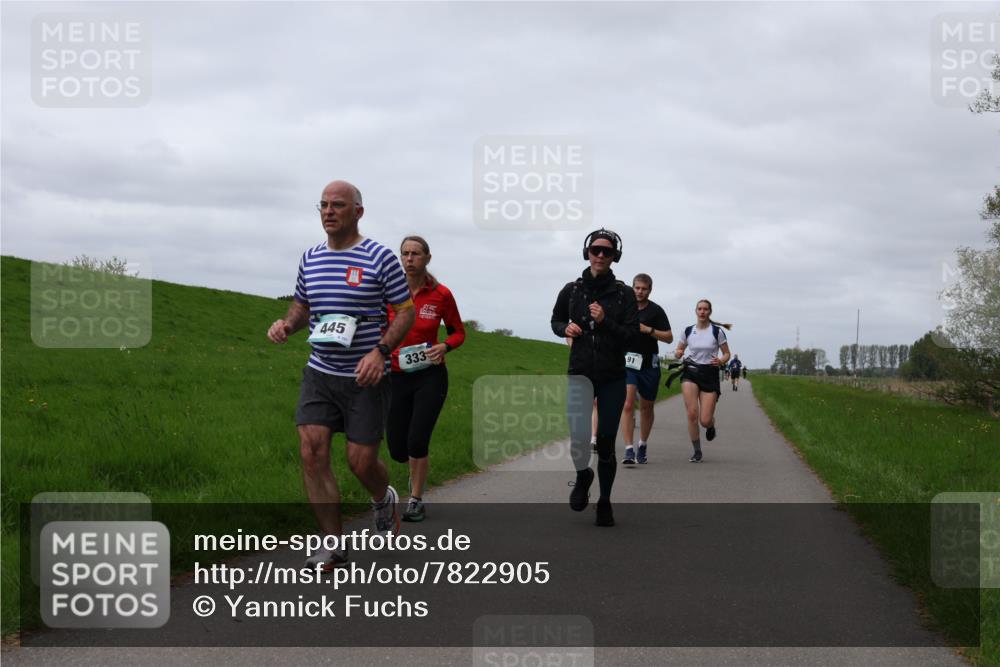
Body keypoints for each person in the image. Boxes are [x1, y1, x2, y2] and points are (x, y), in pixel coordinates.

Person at [267, 180, 415, 570]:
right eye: (323, 205)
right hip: (320, 371)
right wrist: (286, 325)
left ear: (358, 212)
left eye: (338, 205)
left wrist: (379, 351)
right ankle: (333, 546)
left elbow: (405, 312)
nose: (329, 211)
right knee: (311, 451)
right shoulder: (311, 258)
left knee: (360, 462)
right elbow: (302, 306)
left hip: (366, 378)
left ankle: (384, 499)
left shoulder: (380, 258)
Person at [551, 228, 638, 527]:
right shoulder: (572, 290)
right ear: (587, 253)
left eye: (607, 252)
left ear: (615, 257)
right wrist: (566, 329)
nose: (600, 255)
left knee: (605, 441)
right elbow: (556, 320)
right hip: (580, 372)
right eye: (595, 250)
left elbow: (630, 335)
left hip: (613, 376)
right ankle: (582, 475)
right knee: (577, 438)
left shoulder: (624, 294)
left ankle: (605, 501)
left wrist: (605, 321)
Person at [386, 236, 465, 523]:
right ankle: (413, 473)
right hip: (395, 376)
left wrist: (445, 346)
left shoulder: (441, 294)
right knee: (397, 447)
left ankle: (416, 499)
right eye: (405, 253)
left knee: (417, 440)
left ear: (427, 258)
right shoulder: (389, 292)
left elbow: (458, 332)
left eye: (415, 254)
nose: (409, 259)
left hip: (429, 375)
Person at [620, 274, 672, 465]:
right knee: (627, 404)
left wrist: (648, 330)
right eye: (637, 288)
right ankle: (628, 450)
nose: (640, 291)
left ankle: (642, 444)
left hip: (649, 364)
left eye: (644, 289)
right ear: (632, 288)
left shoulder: (656, 311)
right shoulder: (624, 308)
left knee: (646, 407)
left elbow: (669, 337)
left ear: (650, 290)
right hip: (628, 362)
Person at [672, 299, 731, 463]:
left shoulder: (716, 332)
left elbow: (727, 354)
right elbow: (680, 349)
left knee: (704, 420)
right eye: (699, 309)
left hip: (709, 374)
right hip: (690, 372)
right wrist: (677, 353)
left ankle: (711, 424)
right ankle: (697, 451)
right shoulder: (688, 330)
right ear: (696, 311)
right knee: (692, 414)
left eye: (705, 309)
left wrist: (721, 361)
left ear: (709, 312)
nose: (702, 312)